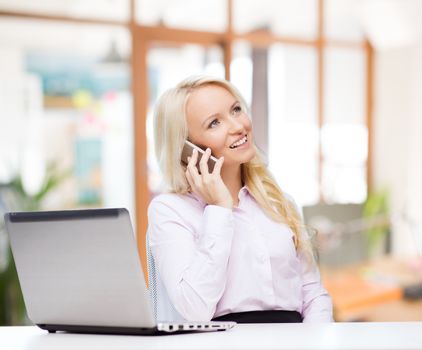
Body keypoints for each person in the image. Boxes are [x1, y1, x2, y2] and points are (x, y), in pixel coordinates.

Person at [147, 75, 333, 323]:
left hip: (295, 339)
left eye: (236, 109)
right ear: (187, 148)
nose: (238, 126)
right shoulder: (170, 210)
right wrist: (219, 210)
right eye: (214, 123)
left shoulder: (279, 202)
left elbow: (312, 294)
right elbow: (194, 309)